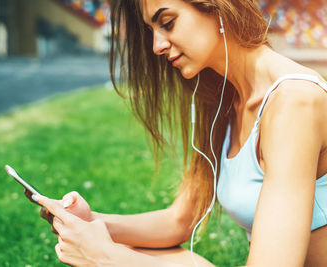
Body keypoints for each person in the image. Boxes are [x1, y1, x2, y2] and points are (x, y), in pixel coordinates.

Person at [26, 0, 327, 266]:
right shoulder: (225, 98)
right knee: (153, 253)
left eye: (167, 23)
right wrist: (88, 224)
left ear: (218, 8)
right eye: (152, 30)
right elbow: (178, 221)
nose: (157, 45)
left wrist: (105, 256)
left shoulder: (295, 102)